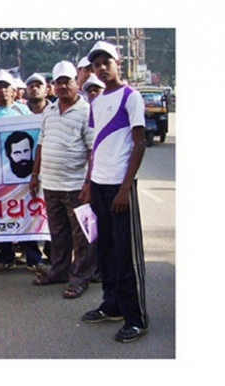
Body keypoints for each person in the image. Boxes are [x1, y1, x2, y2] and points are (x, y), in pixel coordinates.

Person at [80, 41, 148, 343]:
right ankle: (112, 305)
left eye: (106, 62)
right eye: (96, 65)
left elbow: (139, 143)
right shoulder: (96, 103)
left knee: (124, 254)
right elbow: (96, 146)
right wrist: (88, 182)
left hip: (120, 187)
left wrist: (125, 188)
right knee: (104, 250)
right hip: (99, 185)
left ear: (117, 63)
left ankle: (136, 317)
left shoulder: (131, 97)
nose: (102, 68)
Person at [29, 60, 96, 299]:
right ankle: (59, 271)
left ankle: (80, 278)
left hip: (76, 185)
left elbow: (92, 150)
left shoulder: (87, 111)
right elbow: (41, 144)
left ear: (77, 83)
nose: (63, 87)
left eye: (67, 81)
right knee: (58, 233)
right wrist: (35, 175)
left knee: (82, 236)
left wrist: (88, 183)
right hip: (52, 184)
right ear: (53, 87)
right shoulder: (49, 110)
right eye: (58, 83)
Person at [0, 70, 44, 274]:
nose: (3, 90)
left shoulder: (23, 111)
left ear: (14, 90)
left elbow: (35, 141)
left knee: (26, 213)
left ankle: (33, 258)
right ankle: (6, 257)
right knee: (2, 215)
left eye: (6, 86)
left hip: (22, 175)